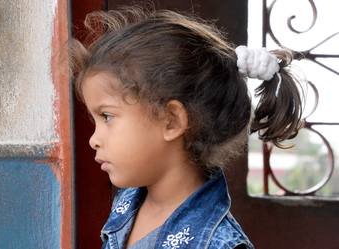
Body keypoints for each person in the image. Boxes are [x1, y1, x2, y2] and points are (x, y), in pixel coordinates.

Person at [70, 6, 303, 249]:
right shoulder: (128, 202)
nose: (93, 140)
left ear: (171, 121)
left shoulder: (221, 244)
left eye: (107, 116)